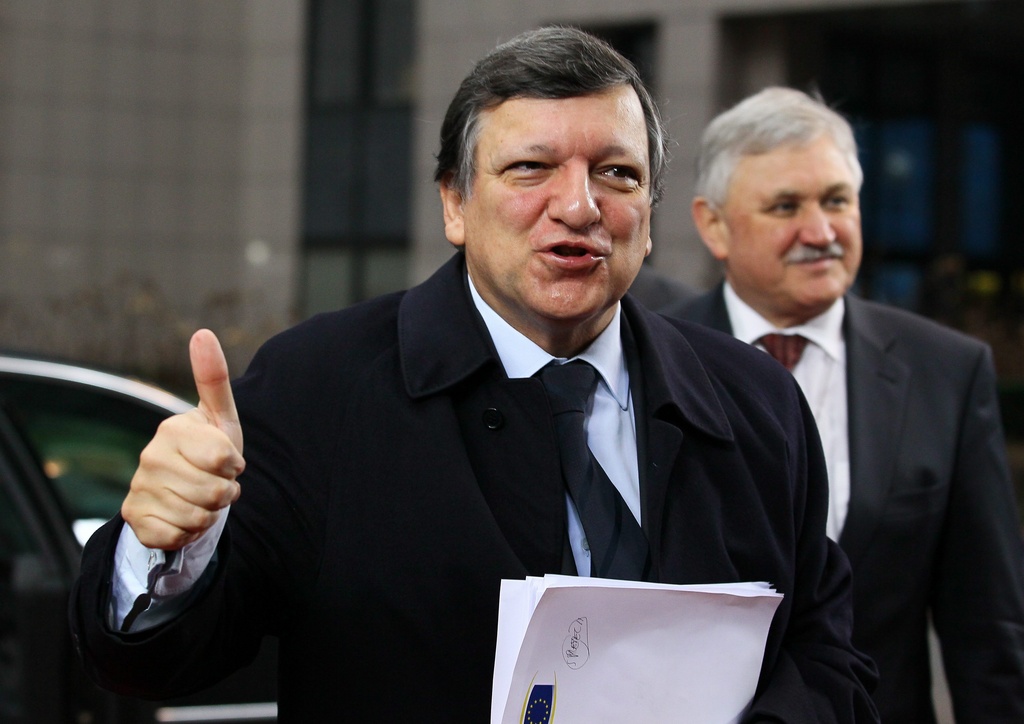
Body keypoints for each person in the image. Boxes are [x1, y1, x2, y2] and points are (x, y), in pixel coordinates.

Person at [70, 30, 878, 722]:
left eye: (618, 174)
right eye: (530, 169)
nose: (580, 206)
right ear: (454, 204)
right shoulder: (319, 388)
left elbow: (827, 654)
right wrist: (164, 548)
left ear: (652, 214)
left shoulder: (756, 402)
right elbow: (157, 665)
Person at [663, 86, 1024, 722]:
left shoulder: (948, 371)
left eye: (836, 200)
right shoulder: (649, 361)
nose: (821, 231)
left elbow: (987, 628)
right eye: (785, 206)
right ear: (713, 225)